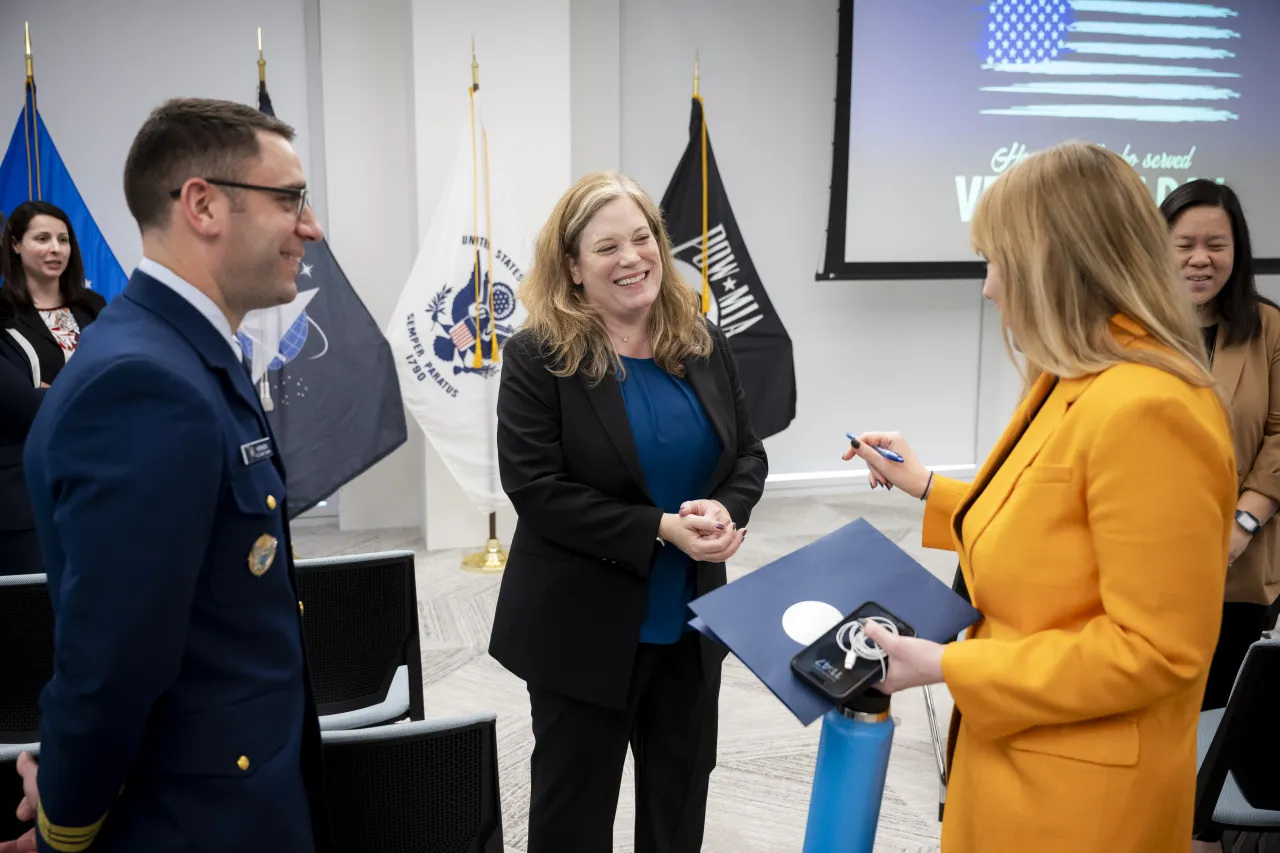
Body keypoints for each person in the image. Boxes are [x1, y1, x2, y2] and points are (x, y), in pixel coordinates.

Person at [844, 143, 1236, 852]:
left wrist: (946, 664)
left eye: (998, 261)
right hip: (1019, 760)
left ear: (1056, 263)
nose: (990, 287)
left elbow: (1155, 649)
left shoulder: (1150, 407)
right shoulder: (1077, 374)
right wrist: (927, 486)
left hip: (1084, 803)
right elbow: (1051, 522)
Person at [2, 98, 331, 853]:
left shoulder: (182, 352)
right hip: (195, 817)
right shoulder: (148, 382)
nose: (308, 227)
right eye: (290, 200)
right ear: (203, 204)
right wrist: (66, 821)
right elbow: (111, 656)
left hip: (237, 783)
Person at [490, 171, 767, 853]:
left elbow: (748, 456)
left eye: (643, 238)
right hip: (582, 627)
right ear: (572, 267)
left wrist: (725, 511)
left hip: (692, 622)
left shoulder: (701, 340)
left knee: (677, 811)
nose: (633, 258)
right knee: (573, 815)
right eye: (607, 246)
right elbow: (536, 488)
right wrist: (660, 527)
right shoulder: (537, 356)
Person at [1160, 180, 1280, 708]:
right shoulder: (1128, 331)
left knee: (1218, 713)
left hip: (1241, 564)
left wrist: (1243, 524)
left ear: (1238, 250)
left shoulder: (1269, 328)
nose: (1200, 260)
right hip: (1149, 559)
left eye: (1216, 245)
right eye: (1184, 245)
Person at [0, 202, 105, 575]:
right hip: (25, 492)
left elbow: (120, 387)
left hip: (98, 481)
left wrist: (48, 389)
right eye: (42, 238)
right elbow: (21, 405)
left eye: (63, 239)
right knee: (34, 618)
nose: (55, 249)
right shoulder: (1, 314)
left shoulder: (93, 308)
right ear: (15, 245)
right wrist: (90, 391)